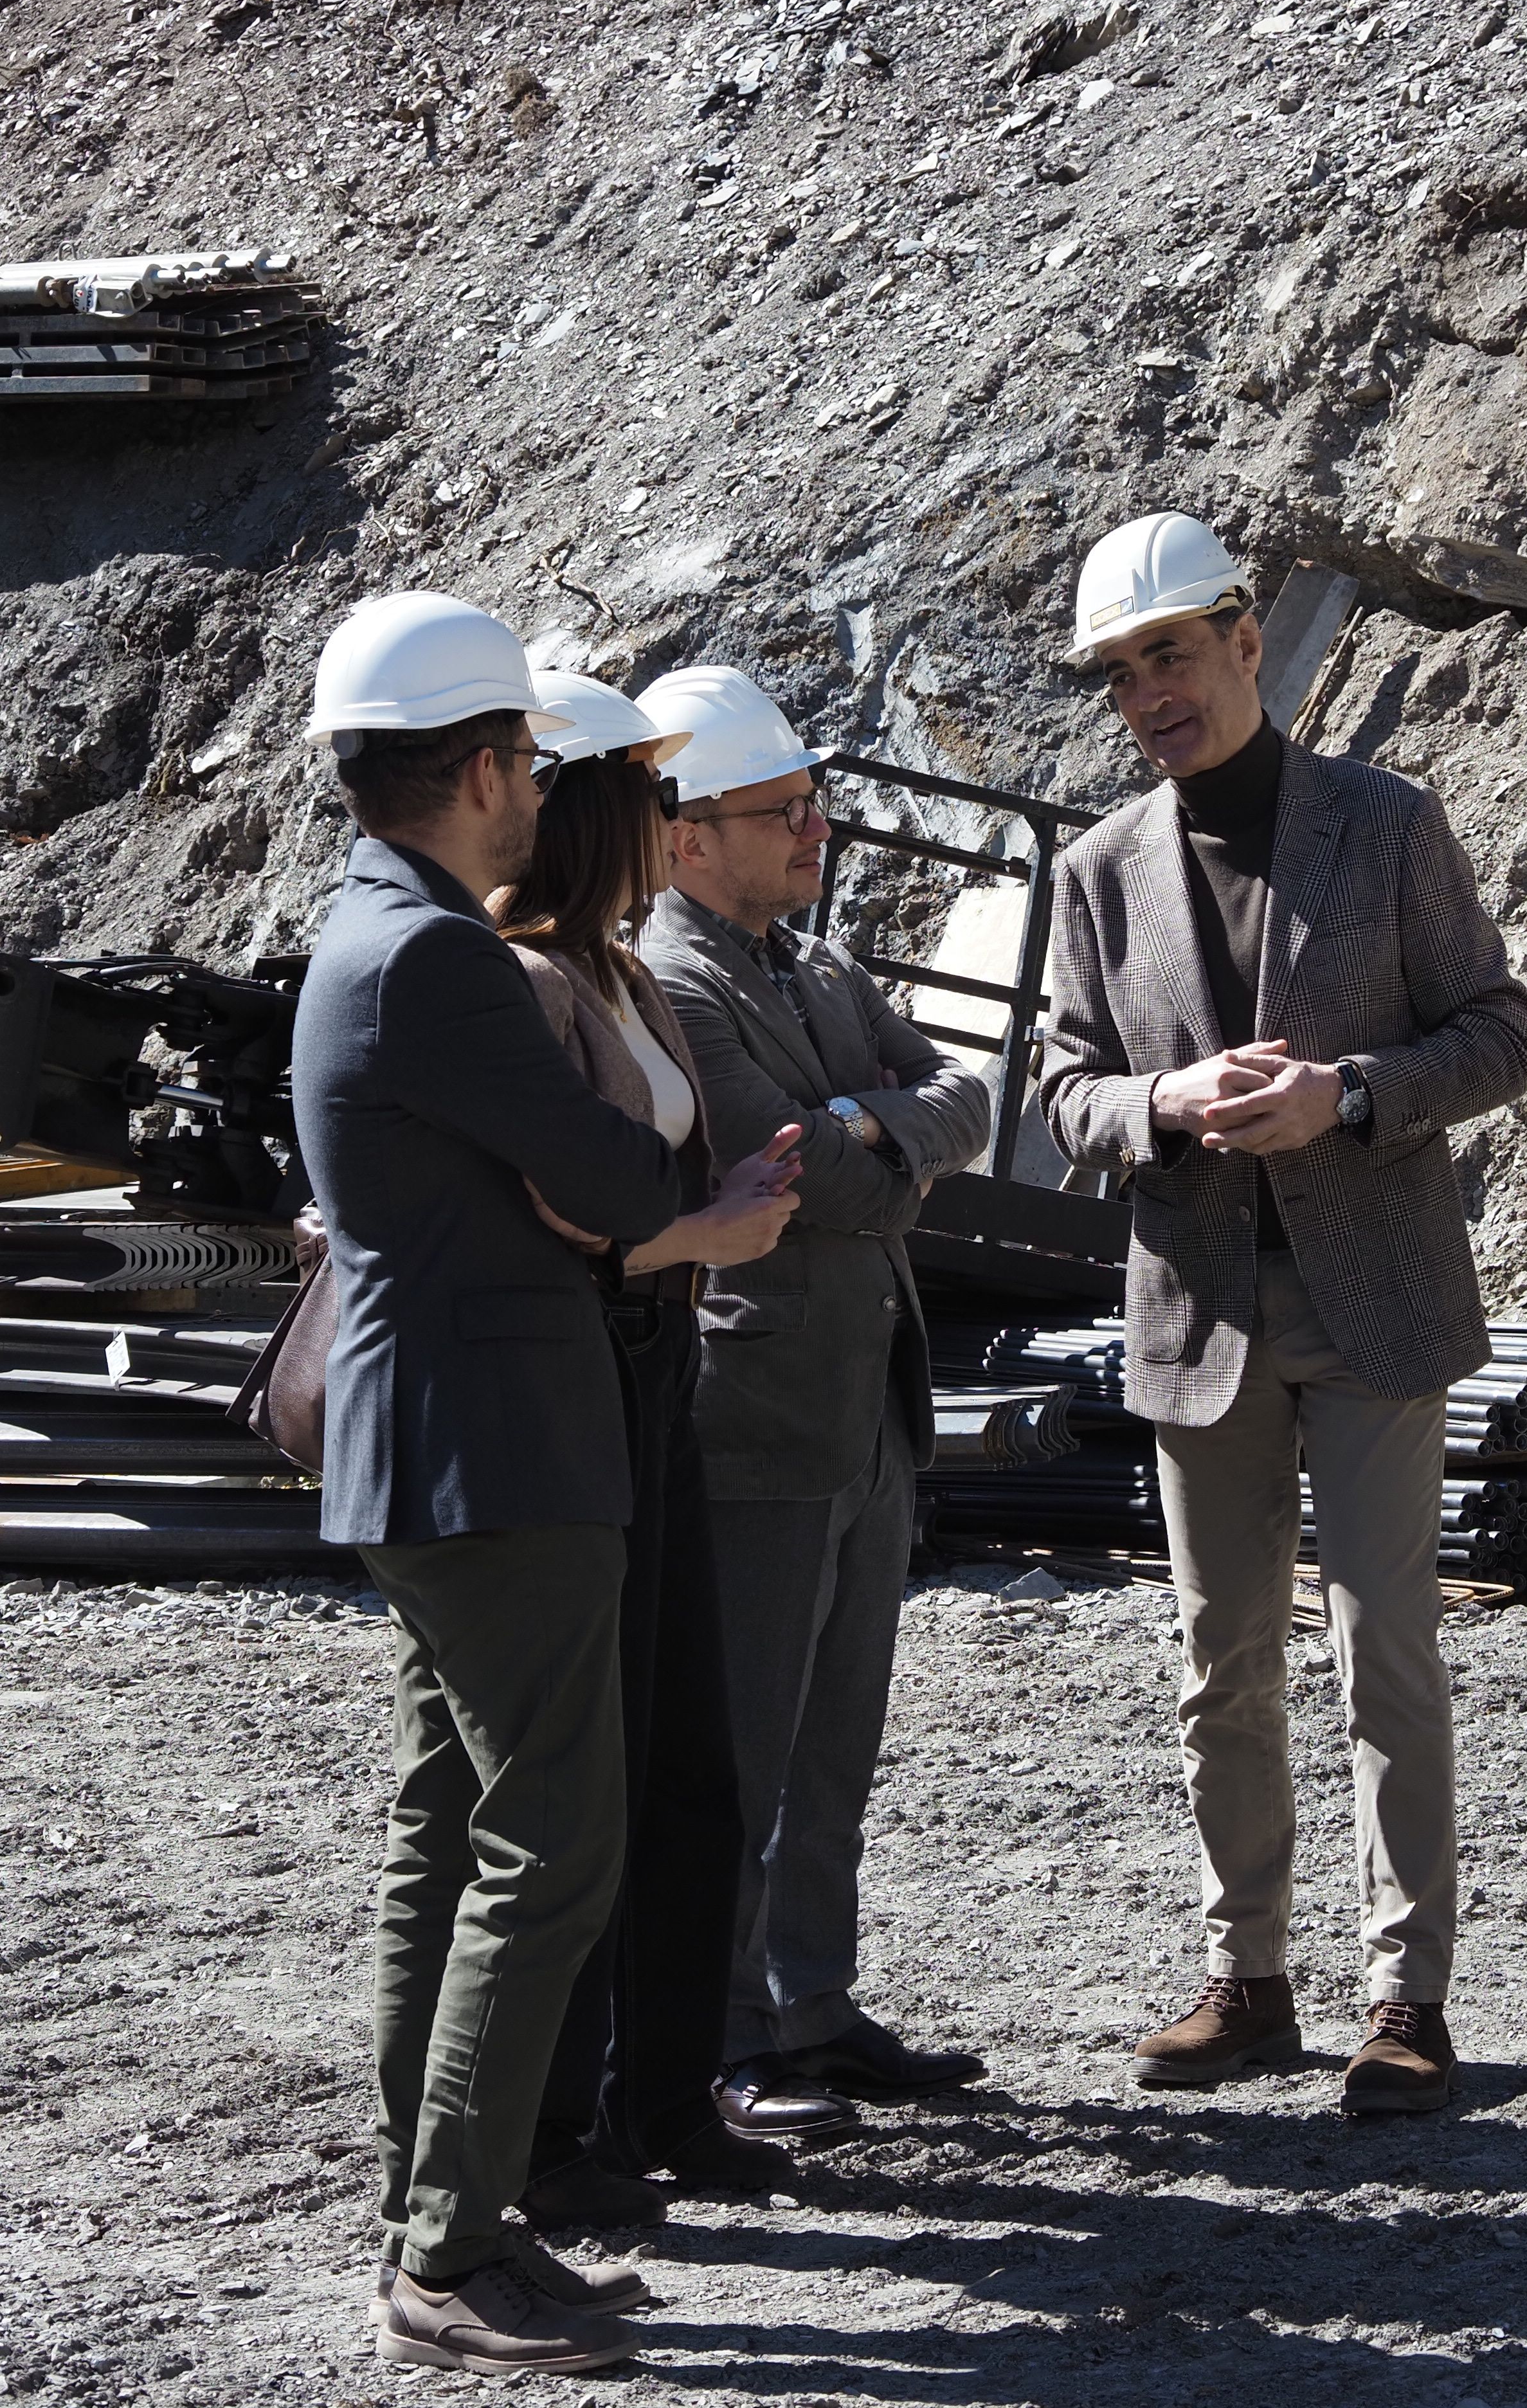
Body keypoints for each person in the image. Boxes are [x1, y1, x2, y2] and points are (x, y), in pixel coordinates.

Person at [1036, 512, 1527, 2115]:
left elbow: (1501, 1034)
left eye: (1168, 655)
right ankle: (1249, 1977)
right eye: (1122, 673)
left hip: (1372, 1301)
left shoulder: (1388, 827)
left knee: (1388, 1653)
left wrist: (1354, 1097)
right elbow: (1059, 1089)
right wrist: (1162, 1102)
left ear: (1248, 641)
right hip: (1202, 1316)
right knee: (1219, 1667)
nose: (1149, 695)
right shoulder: (1100, 870)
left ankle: (1409, 1998)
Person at [293, 594, 685, 2376]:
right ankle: (450, 2240)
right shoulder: (439, 958)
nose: (541, 785)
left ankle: (442, 2212)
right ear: (473, 768)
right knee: (549, 1840)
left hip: (437, 1453)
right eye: (526, 755)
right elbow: (612, 1173)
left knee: (448, 1835)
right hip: (498, 1455)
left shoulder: (378, 934)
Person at [637, 663, 997, 2144]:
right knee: (744, 1744)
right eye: (778, 811)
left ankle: (814, 2009)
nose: (816, 829)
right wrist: (875, 1132)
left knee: (836, 1735)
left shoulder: (814, 967)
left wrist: (872, 1125)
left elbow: (974, 1100)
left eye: (815, 803)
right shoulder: (671, 985)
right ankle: (722, 2039)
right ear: (685, 835)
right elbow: (810, 1178)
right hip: (763, 1419)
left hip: (863, 1407)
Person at [487, 671, 815, 2219]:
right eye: (639, 792)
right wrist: (710, 1225)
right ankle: (582, 2124)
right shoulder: (525, 979)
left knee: (690, 1759)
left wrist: (710, 1211)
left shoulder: (618, 971)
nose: (656, 816)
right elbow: (561, 1219)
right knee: (601, 1773)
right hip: (596, 1371)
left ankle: (672, 2097)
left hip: (657, 1365)